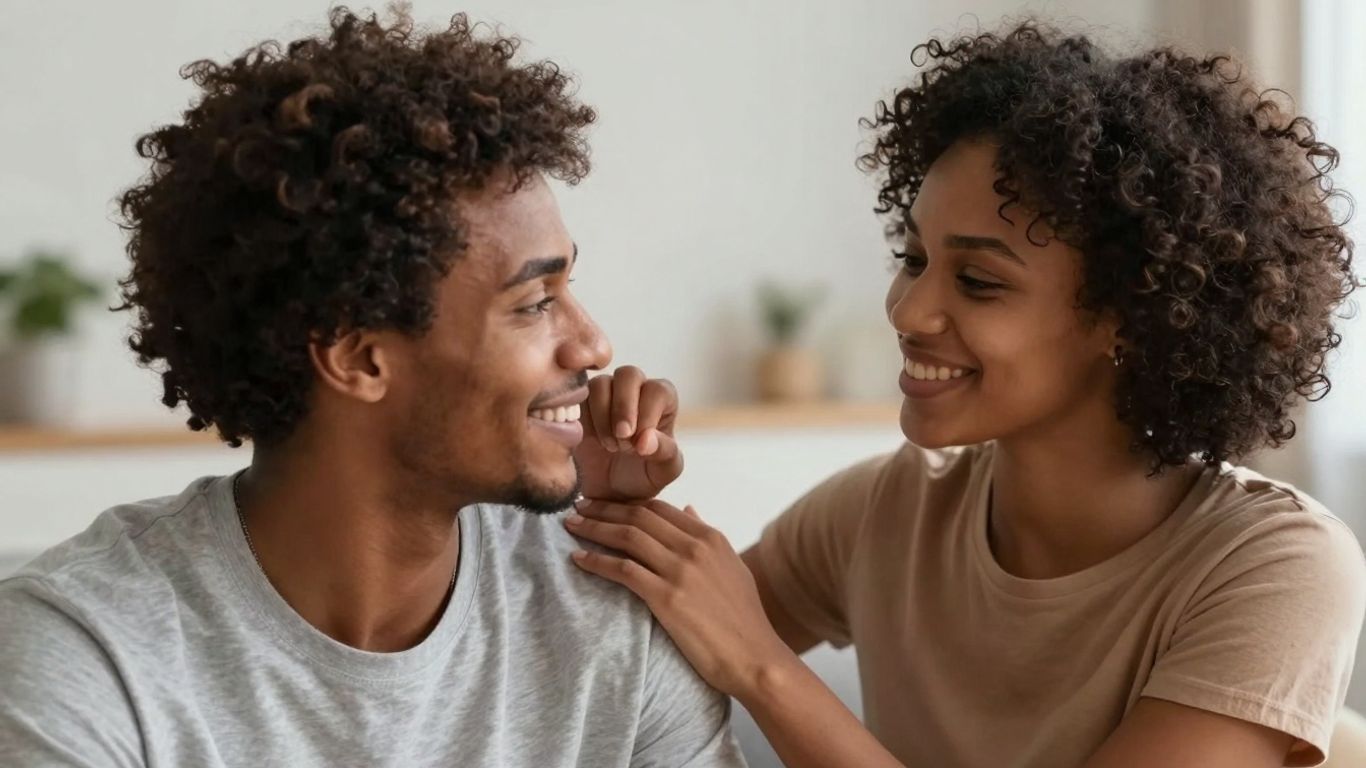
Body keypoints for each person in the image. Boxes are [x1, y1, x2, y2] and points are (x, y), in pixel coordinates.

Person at [566, 22, 1366, 768]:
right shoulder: (881, 514)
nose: (908, 311)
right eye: (914, 259)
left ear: (1131, 316)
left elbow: (739, 648)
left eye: (979, 281)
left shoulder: (1278, 568)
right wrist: (617, 506)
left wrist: (762, 668)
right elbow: (615, 675)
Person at [0, 9, 745, 767]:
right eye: (533, 302)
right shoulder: (86, 657)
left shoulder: (606, 608)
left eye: (568, 286)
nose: (594, 345)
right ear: (358, 360)